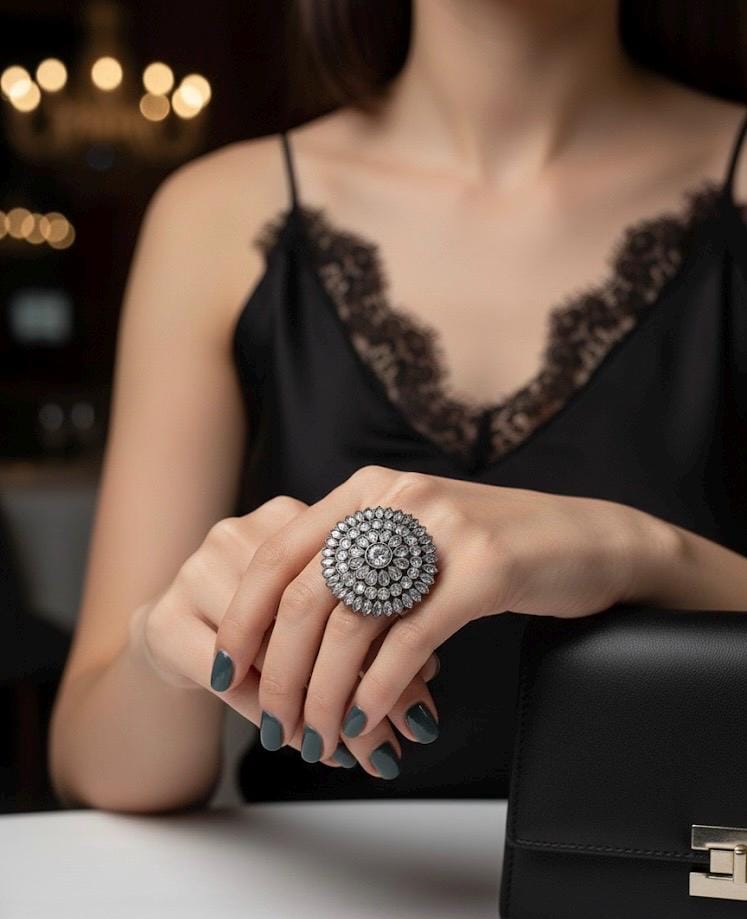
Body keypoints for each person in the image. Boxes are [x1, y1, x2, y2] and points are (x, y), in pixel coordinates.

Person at [49, 0, 747, 813]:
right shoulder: (213, 212)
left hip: (682, 874)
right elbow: (98, 770)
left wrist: (640, 552)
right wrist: (165, 649)